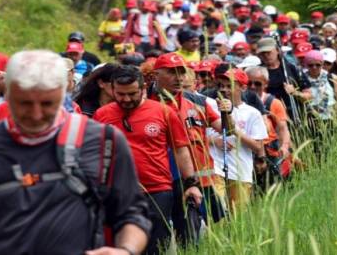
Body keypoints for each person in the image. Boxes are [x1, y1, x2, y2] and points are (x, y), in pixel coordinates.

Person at [0, 50, 150, 255]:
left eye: (47, 104)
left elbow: (131, 214)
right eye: (24, 103)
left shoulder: (103, 142)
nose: (36, 114)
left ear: (64, 93)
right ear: (8, 94)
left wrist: (125, 249)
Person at [94, 65, 202, 255]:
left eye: (132, 94)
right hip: (117, 191)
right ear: (112, 90)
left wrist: (191, 184)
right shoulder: (102, 115)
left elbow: (181, 150)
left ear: (143, 88)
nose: (126, 99)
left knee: (155, 244)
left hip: (157, 190)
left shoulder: (163, 112)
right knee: (121, 243)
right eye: (120, 94)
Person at [150, 53, 225, 245]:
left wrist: (228, 112)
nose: (179, 77)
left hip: (198, 180)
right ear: (155, 75)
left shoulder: (198, 102)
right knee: (160, 237)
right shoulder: (144, 103)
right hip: (159, 181)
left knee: (192, 237)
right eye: (172, 72)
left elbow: (226, 129)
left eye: (182, 72)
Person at [209, 68, 267, 211]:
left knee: (238, 220)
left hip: (241, 172)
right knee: (218, 216)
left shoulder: (252, 113)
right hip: (216, 170)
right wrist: (213, 140)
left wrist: (234, 130)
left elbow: (258, 146)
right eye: (221, 86)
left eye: (229, 86)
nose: (224, 89)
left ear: (243, 88)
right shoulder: (210, 107)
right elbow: (199, 134)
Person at [256, 37, 311, 124]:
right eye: (262, 53)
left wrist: (295, 93)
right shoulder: (257, 72)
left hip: (296, 117)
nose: (266, 56)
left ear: (277, 51)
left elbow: (309, 96)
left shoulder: (292, 69)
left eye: (268, 52)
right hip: (271, 117)